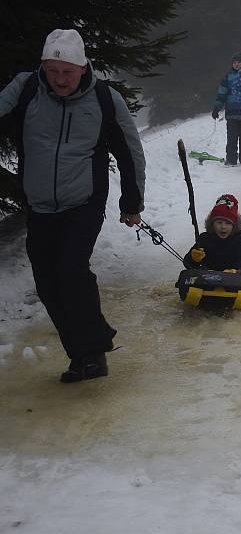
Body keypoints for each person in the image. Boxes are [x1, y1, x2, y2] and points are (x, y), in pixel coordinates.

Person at [0, 29, 146, 383]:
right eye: (53, 71)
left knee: (71, 269)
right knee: (48, 282)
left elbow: (129, 152)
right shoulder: (26, 88)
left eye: (67, 71)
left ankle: (94, 351)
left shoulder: (104, 99)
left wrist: (131, 202)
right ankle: (80, 354)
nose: (60, 79)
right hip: (39, 204)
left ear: (83, 68)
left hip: (84, 201)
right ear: (43, 67)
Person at [184, 194, 241, 280]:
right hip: (206, 282)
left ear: (234, 226)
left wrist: (236, 271)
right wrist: (193, 259)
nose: (223, 227)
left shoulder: (240, 240)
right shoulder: (204, 239)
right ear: (212, 224)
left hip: (232, 283)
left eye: (228, 223)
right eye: (219, 222)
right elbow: (187, 263)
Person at [213, 53, 241, 166]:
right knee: (232, 138)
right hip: (231, 113)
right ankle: (231, 158)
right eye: (234, 63)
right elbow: (222, 93)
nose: (237, 64)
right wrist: (217, 107)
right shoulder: (227, 77)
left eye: (239, 62)